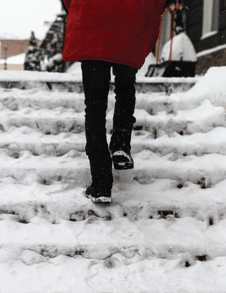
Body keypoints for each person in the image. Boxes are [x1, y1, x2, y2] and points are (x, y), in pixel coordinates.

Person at [61, 0, 168, 203]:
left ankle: (101, 183)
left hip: (92, 23)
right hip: (129, 23)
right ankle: (120, 141)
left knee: (94, 106)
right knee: (125, 89)